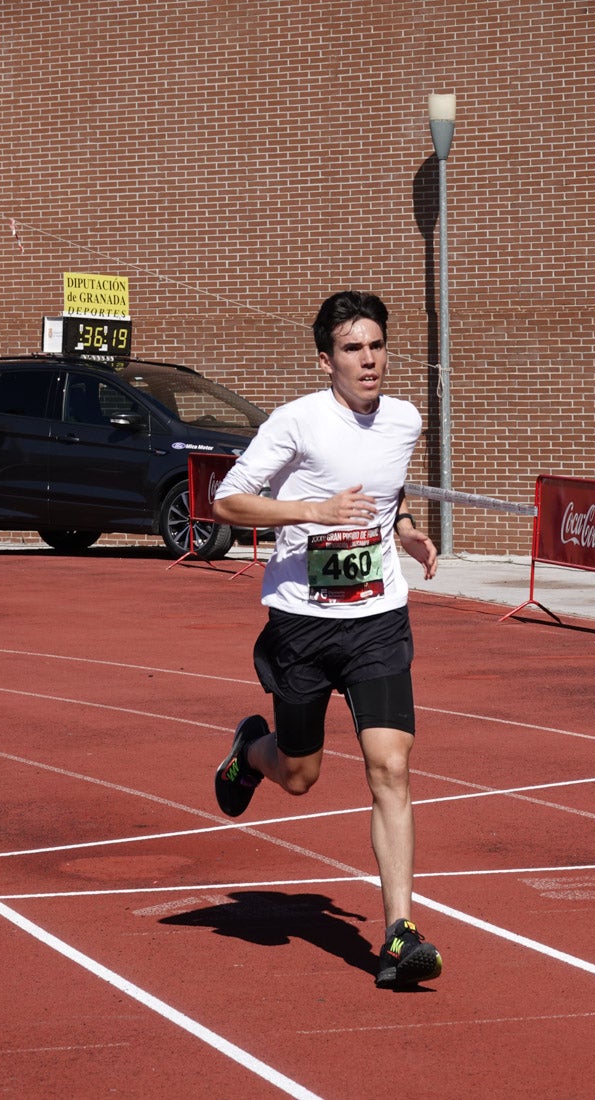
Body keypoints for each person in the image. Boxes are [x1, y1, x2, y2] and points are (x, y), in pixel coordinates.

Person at [212, 290, 443, 989]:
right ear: (326, 360)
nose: (367, 360)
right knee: (301, 776)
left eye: (375, 345)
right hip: (302, 623)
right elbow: (227, 499)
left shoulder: (404, 418)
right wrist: (313, 510)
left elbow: (387, 488)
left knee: (390, 768)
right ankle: (251, 751)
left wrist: (401, 530)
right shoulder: (297, 422)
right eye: (351, 348)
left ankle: (398, 930)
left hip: (377, 619)